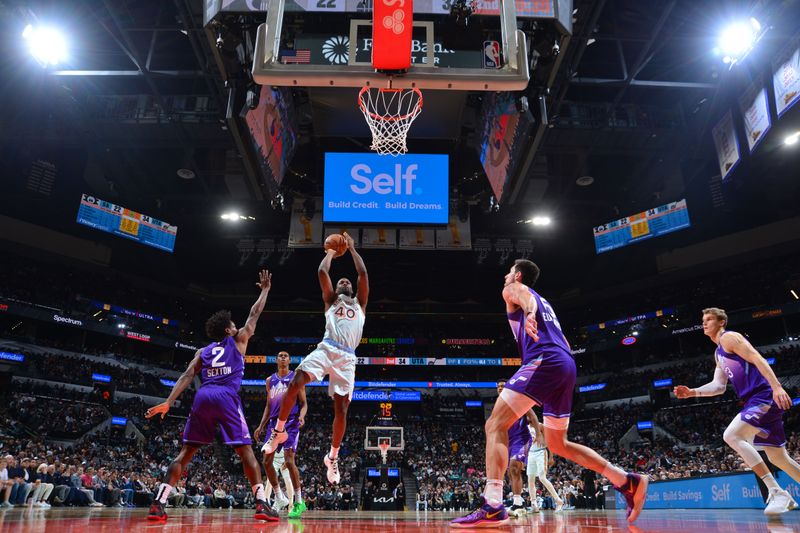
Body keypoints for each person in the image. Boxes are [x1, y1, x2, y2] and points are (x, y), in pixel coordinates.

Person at [452, 259, 648, 528]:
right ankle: (626, 480)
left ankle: (493, 505)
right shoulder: (547, 303)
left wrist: (529, 314)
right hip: (565, 364)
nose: (505, 276)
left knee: (495, 424)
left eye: (509, 271)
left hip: (544, 360)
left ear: (518, 275)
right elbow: (564, 341)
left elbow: (522, 297)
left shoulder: (515, 288)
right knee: (557, 444)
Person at [144, 270, 277, 522]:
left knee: (185, 453)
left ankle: (158, 503)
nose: (237, 326)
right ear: (228, 330)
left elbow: (185, 376)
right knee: (246, 451)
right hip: (226, 395)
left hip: (202, 396)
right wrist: (265, 290)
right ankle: (261, 503)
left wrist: (168, 402)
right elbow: (254, 314)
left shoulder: (203, 351)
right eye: (233, 325)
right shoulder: (238, 339)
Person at [261, 232, 368, 489]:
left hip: (347, 358)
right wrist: (332, 251)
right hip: (327, 347)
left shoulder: (360, 304)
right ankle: (278, 431)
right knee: (295, 381)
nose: (343, 282)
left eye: (346, 282)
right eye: (340, 282)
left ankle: (332, 457)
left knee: (341, 408)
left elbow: (363, 274)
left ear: (351, 289)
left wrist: (351, 249)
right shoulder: (330, 301)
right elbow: (322, 272)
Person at [673, 307, 800, 515]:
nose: (704, 323)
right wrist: (692, 392)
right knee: (779, 458)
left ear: (721, 322)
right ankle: (778, 493)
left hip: (763, 396)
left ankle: (776, 491)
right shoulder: (718, 353)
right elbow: (718, 386)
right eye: (703, 320)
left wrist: (777, 387)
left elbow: (757, 358)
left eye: (709, 319)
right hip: (754, 400)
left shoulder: (729, 338)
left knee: (731, 435)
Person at [255, 350, 308, 518]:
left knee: (289, 461)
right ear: (276, 360)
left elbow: (304, 403)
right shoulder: (270, 381)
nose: (283, 357)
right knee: (266, 461)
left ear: (290, 360)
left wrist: (301, 416)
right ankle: (279, 497)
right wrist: (261, 425)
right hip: (272, 424)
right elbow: (268, 406)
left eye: (286, 355)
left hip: (291, 423)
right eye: (280, 355)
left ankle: (299, 501)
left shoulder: (296, 378)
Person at [494, 380, 532, 518]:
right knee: (511, 472)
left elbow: (531, 415)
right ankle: (518, 501)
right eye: (498, 386)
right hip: (507, 441)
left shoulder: (517, 400)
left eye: (502, 386)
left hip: (521, 439)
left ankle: (518, 504)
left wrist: (539, 435)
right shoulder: (498, 405)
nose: (500, 388)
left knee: (515, 468)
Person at [526, 409, 563, 512]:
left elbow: (549, 441)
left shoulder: (540, 426)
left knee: (542, 478)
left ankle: (558, 500)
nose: (528, 418)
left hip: (541, 452)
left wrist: (551, 456)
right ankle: (534, 504)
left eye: (530, 416)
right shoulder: (526, 428)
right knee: (530, 479)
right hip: (530, 454)